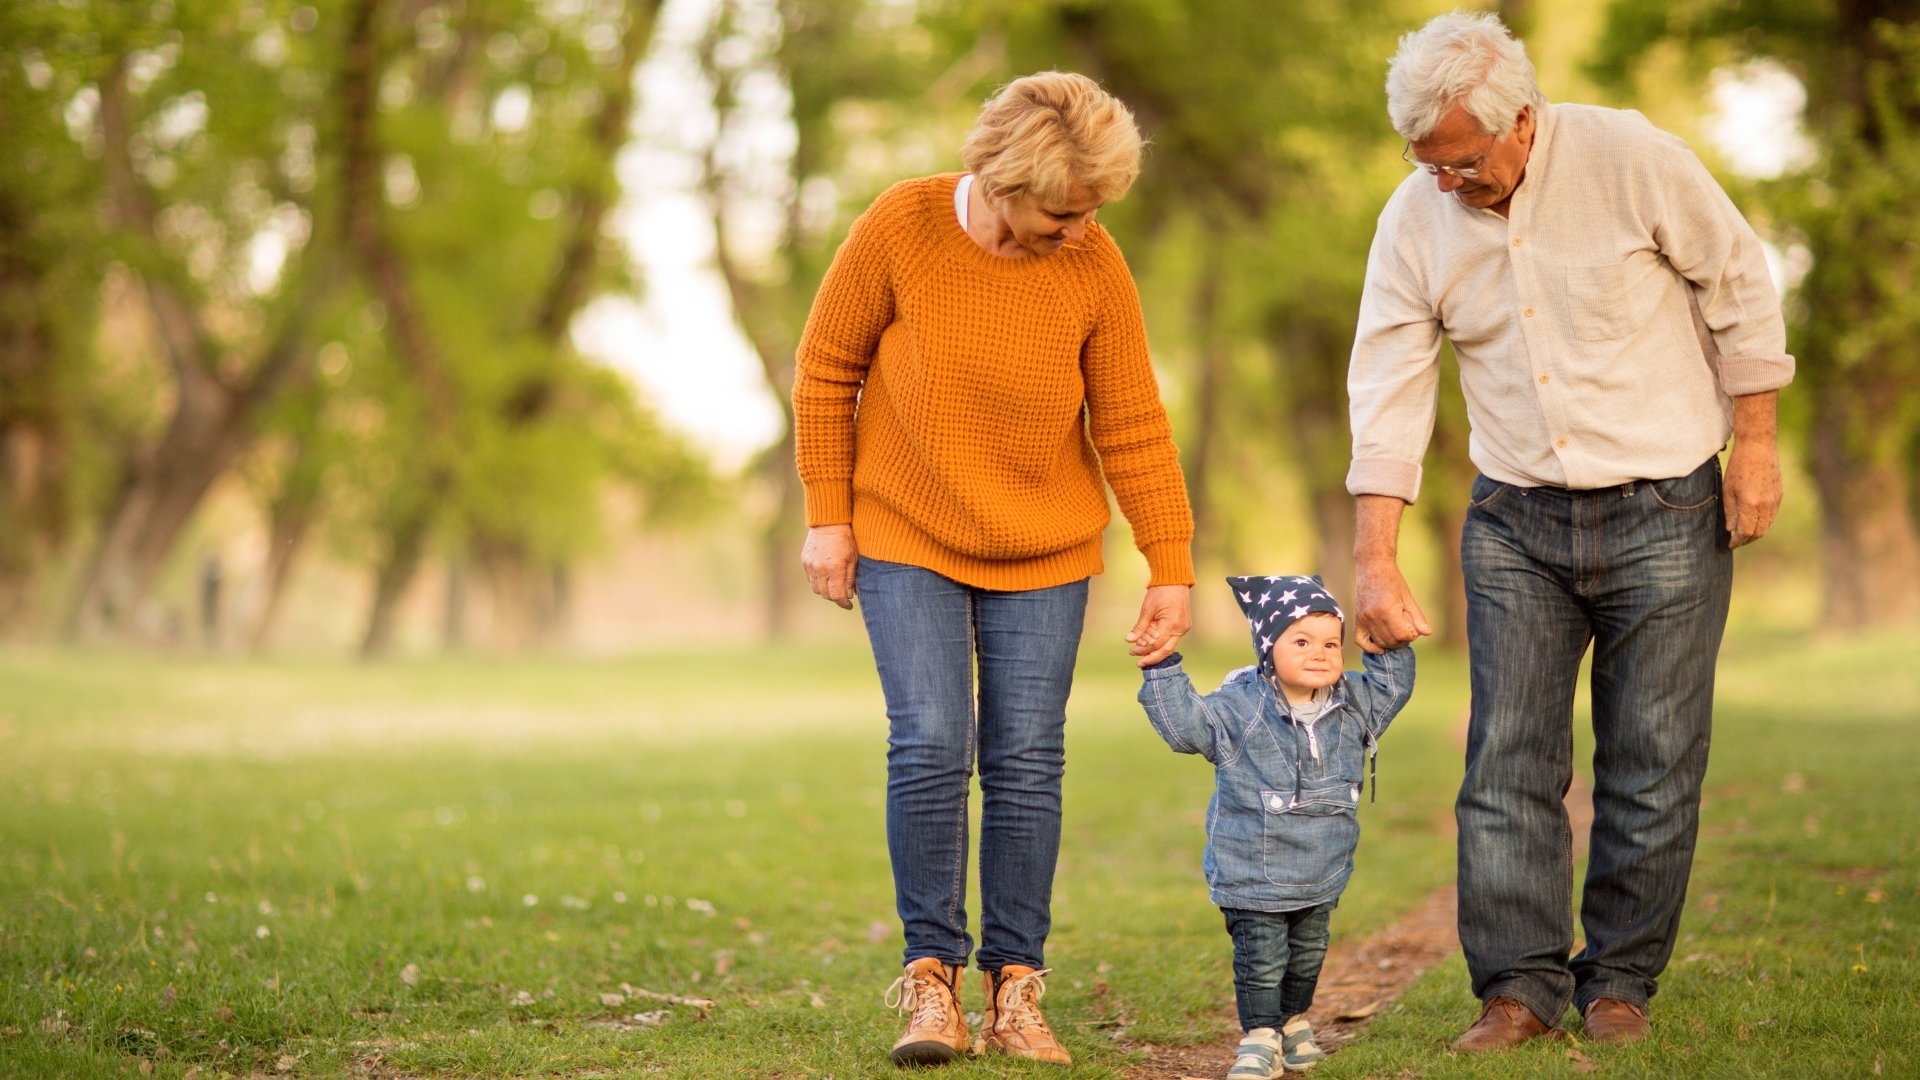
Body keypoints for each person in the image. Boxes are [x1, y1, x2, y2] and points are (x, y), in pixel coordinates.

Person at [1345, 11, 1793, 1050]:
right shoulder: (1416, 216)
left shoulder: (1634, 159)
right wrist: (1375, 555)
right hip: (1514, 522)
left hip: (1667, 509)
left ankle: (1619, 984)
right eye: (1426, 165)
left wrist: (1756, 447)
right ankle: (1517, 991)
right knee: (1506, 761)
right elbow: (1390, 384)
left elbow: (1738, 286)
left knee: (1653, 757)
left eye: (1461, 163)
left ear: (1521, 120)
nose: (1445, 184)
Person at [792, 71, 1196, 1068]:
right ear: (1003, 178)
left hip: (1046, 546)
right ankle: (933, 982)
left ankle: (1017, 987)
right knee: (931, 741)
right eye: (1062, 212)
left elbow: (1133, 421)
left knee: (1026, 762)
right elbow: (826, 369)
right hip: (906, 529)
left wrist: (1170, 562)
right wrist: (826, 516)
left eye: (1093, 211)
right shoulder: (902, 226)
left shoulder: (1094, 264)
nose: (1078, 230)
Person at [1138, 576, 1413, 1079]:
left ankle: (1292, 1021)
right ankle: (1260, 1035)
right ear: (1268, 648)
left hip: (1322, 873)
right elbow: (1184, 727)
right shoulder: (1241, 707)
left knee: (1306, 958)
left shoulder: (1352, 704)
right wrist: (1161, 667)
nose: (1320, 654)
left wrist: (1388, 641)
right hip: (1253, 874)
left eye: (1331, 643)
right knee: (1262, 961)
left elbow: (1393, 689)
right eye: (1301, 641)